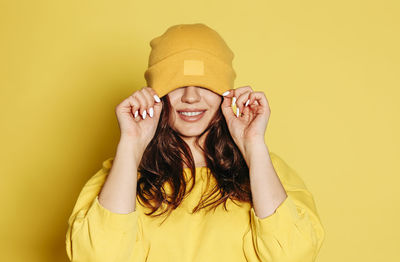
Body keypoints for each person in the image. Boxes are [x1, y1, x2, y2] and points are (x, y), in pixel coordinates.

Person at [65, 23, 325, 262]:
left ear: (226, 92)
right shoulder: (120, 174)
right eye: (176, 84)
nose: (191, 97)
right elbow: (97, 257)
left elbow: (295, 256)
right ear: (156, 93)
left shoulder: (268, 171)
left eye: (205, 84)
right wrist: (131, 144)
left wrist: (253, 144)